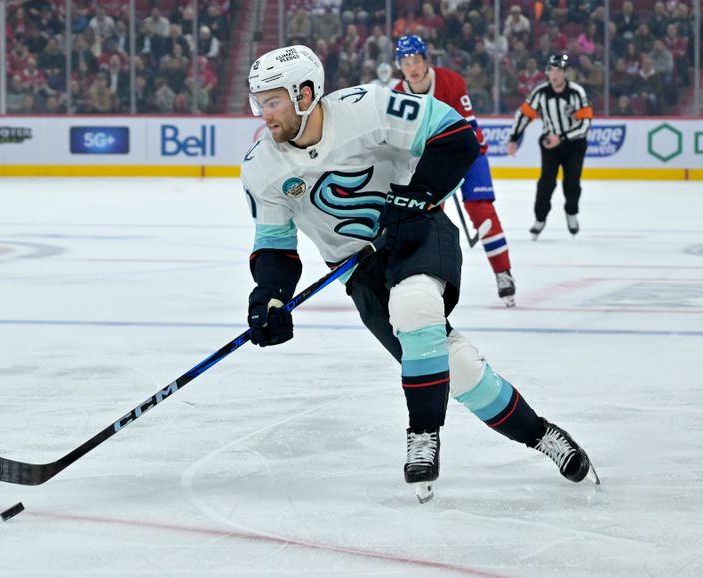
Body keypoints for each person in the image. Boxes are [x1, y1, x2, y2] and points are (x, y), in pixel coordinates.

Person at [241, 45, 598, 504]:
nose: (262, 114)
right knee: (461, 370)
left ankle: (422, 435)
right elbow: (275, 246)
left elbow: (456, 136)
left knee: (414, 309)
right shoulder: (261, 167)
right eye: (258, 102)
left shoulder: (366, 107)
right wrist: (269, 295)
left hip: (416, 230)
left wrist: (417, 197)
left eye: (271, 101)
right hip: (360, 273)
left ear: (305, 93)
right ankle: (543, 434)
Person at [392, 35, 516, 307]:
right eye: (405, 62)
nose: (412, 67)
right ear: (399, 65)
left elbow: (468, 131)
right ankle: (431, 280)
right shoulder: (397, 94)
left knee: (481, 210)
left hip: (470, 153)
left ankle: (503, 272)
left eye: (416, 60)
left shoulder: (451, 81)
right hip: (434, 160)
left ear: (426, 61)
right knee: (430, 218)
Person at [507, 54, 592, 239]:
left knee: (572, 183)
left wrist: (561, 137)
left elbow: (585, 123)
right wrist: (513, 138)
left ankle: (571, 212)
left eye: (559, 71)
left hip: (574, 145)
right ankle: (540, 218)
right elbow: (524, 115)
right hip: (550, 145)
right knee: (546, 183)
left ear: (565, 73)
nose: (555, 75)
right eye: (552, 70)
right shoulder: (541, 92)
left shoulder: (577, 92)